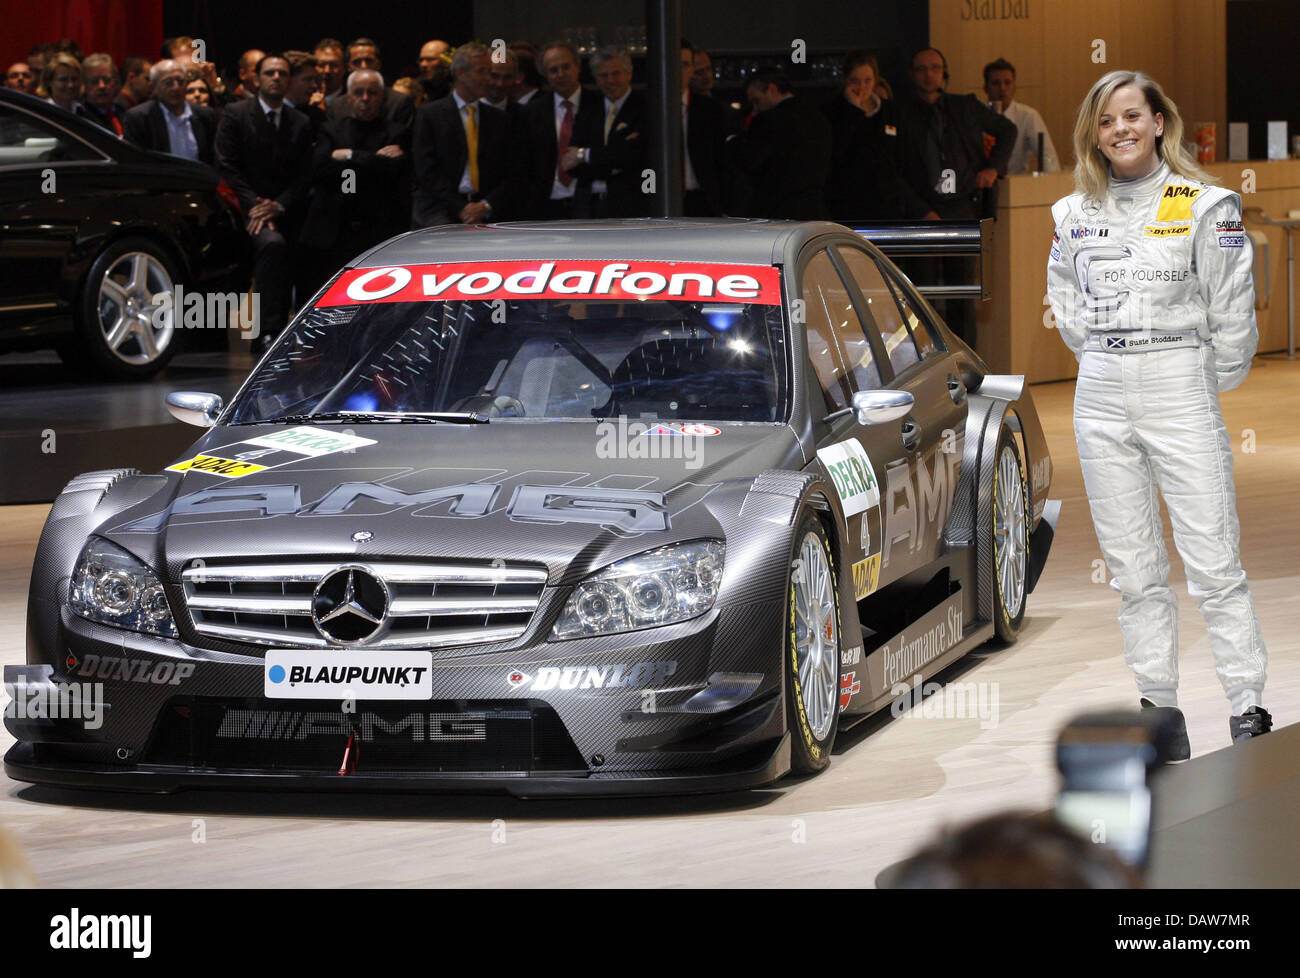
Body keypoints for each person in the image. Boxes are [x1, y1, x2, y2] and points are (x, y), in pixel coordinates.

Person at [1046, 70, 1271, 755]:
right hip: (1103, 390)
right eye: (1107, 121)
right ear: (1095, 133)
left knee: (1213, 559)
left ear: (1159, 122)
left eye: (1132, 117)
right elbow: (1066, 302)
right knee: (1134, 568)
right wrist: (1108, 357)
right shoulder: (1071, 212)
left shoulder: (1204, 203)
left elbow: (1233, 306)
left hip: (1179, 382)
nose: (1121, 130)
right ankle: (1160, 710)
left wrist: (1204, 373)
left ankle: (1248, 706)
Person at [215, 54, 313, 351]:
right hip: (239, 208)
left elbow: (305, 175)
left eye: (282, 74)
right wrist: (254, 205)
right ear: (257, 78)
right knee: (271, 244)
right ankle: (267, 332)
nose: (276, 78)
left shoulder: (300, 121)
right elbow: (227, 165)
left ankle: (289, 334)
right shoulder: (235, 113)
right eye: (270, 73)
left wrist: (278, 205)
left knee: (304, 245)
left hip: (285, 210)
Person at [300, 69, 410, 294]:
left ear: (382, 97)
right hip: (333, 228)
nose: (365, 98)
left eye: (372, 93)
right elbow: (319, 171)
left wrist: (349, 155)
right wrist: (374, 160)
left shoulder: (396, 132)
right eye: (358, 92)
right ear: (349, 97)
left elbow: (392, 172)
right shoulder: (330, 129)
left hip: (378, 228)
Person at [412, 42, 515, 227]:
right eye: (481, 72)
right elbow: (427, 170)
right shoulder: (430, 115)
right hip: (440, 209)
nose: (488, 79)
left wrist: (485, 205)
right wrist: (461, 207)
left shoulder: (500, 120)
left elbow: (512, 172)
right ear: (460, 73)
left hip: (487, 209)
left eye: (489, 72)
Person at [727, 67, 831, 219]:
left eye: (756, 101)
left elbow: (752, 161)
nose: (755, 109)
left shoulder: (768, 120)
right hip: (815, 208)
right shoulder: (819, 118)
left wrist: (732, 141)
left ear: (772, 89)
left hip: (778, 211)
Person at [821, 50, 910, 219]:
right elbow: (836, 152)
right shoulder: (832, 112)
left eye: (867, 80)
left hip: (888, 202)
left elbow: (901, 155)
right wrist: (854, 111)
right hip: (848, 204)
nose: (862, 87)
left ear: (876, 79)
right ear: (845, 79)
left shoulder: (890, 110)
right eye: (855, 80)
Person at [566, 45, 648, 218]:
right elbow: (570, 165)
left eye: (616, 73)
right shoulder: (588, 110)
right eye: (603, 76)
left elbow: (633, 156)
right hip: (588, 207)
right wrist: (612, 159)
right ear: (596, 79)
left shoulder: (645, 107)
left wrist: (584, 155)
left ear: (629, 73)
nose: (610, 80)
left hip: (630, 206)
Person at [522, 41, 601, 218]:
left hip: (591, 203)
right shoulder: (532, 112)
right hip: (546, 207)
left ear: (578, 67)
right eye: (553, 70)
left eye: (566, 67)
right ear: (545, 75)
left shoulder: (599, 104)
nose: (560, 74)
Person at [123, 60, 218, 163]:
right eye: (168, 83)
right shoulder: (139, 118)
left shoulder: (205, 115)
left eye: (180, 81)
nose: (176, 87)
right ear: (153, 87)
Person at [983, 57, 1059, 174]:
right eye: (996, 83)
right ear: (985, 88)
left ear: (1014, 87)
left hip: (1015, 183)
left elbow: (1048, 157)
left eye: (1007, 83)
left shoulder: (1028, 116)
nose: (1002, 88)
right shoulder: (976, 117)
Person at [679, 39, 726, 216]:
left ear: (691, 70)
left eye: (685, 65)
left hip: (702, 201)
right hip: (656, 200)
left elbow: (722, 161)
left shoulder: (710, 109)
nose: (679, 71)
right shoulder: (648, 107)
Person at [79, 54, 124, 136]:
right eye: (94, 81)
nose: (102, 86)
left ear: (115, 81)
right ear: (84, 85)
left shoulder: (123, 111)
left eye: (107, 80)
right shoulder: (81, 117)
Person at [313, 38, 346, 107]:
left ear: (344, 68)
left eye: (333, 65)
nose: (327, 71)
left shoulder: (352, 102)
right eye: (321, 65)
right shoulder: (302, 100)